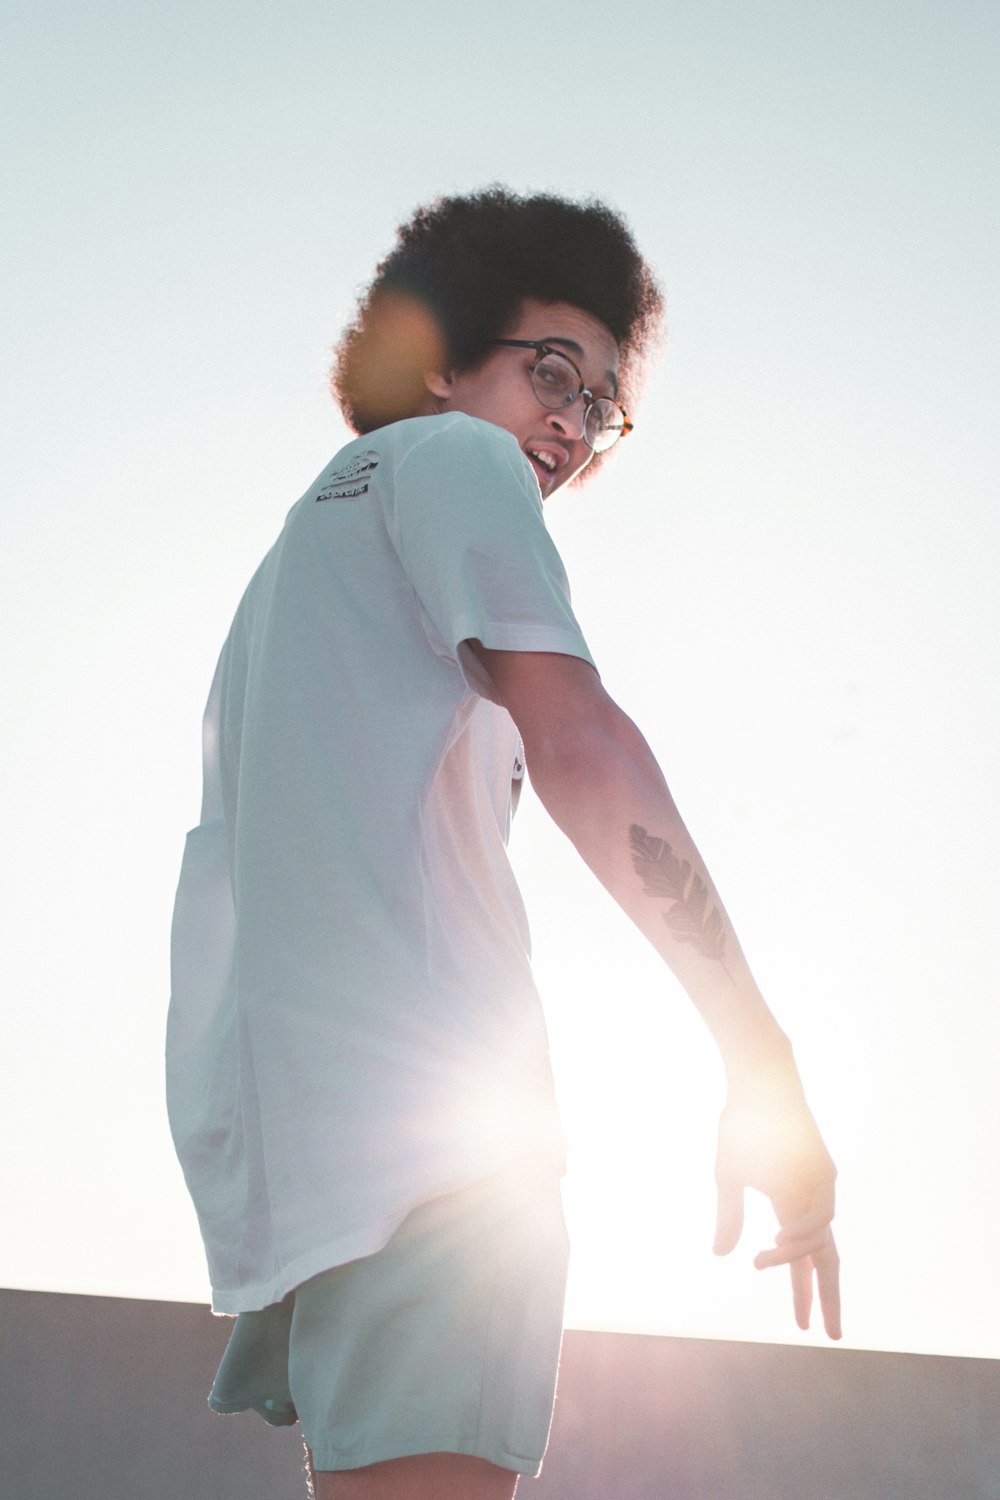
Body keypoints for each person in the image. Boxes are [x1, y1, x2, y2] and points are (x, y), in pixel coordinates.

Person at [167, 187, 840, 1500]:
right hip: (445, 1167)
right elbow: (586, 742)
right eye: (549, 371)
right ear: (438, 366)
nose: (572, 425)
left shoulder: (301, 560)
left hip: (322, 1168)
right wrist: (762, 1057)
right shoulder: (451, 462)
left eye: (601, 404)